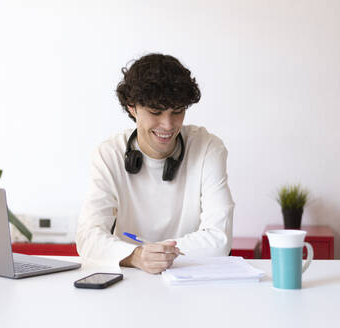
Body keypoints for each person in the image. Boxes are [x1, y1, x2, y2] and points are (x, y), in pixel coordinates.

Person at [76, 53, 234, 274]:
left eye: (177, 112)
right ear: (132, 107)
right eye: (155, 112)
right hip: (130, 282)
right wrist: (136, 256)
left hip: (191, 282)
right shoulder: (109, 154)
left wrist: (157, 254)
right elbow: (88, 237)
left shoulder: (208, 148)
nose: (168, 125)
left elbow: (219, 238)